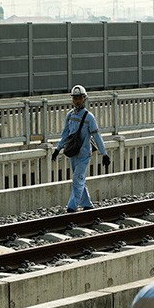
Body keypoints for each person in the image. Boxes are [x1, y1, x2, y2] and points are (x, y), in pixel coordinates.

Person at [51, 85, 110, 213]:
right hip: (73, 154)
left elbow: (97, 136)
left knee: (77, 179)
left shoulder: (89, 117)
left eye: (80, 98)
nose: (77, 101)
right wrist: (57, 149)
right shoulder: (70, 115)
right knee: (80, 179)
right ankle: (87, 204)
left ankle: (72, 207)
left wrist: (104, 154)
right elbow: (65, 134)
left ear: (84, 99)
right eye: (75, 98)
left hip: (84, 155)